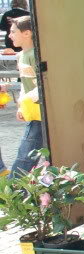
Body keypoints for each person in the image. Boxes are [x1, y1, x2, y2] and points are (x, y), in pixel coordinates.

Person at [10, 16, 43, 176]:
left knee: (26, 155)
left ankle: (13, 190)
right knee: (29, 153)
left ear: (27, 33)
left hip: (40, 112)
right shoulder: (21, 55)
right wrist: (22, 105)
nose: (10, 35)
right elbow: (25, 83)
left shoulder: (34, 55)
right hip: (33, 111)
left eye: (13, 31)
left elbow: (41, 85)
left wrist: (24, 100)